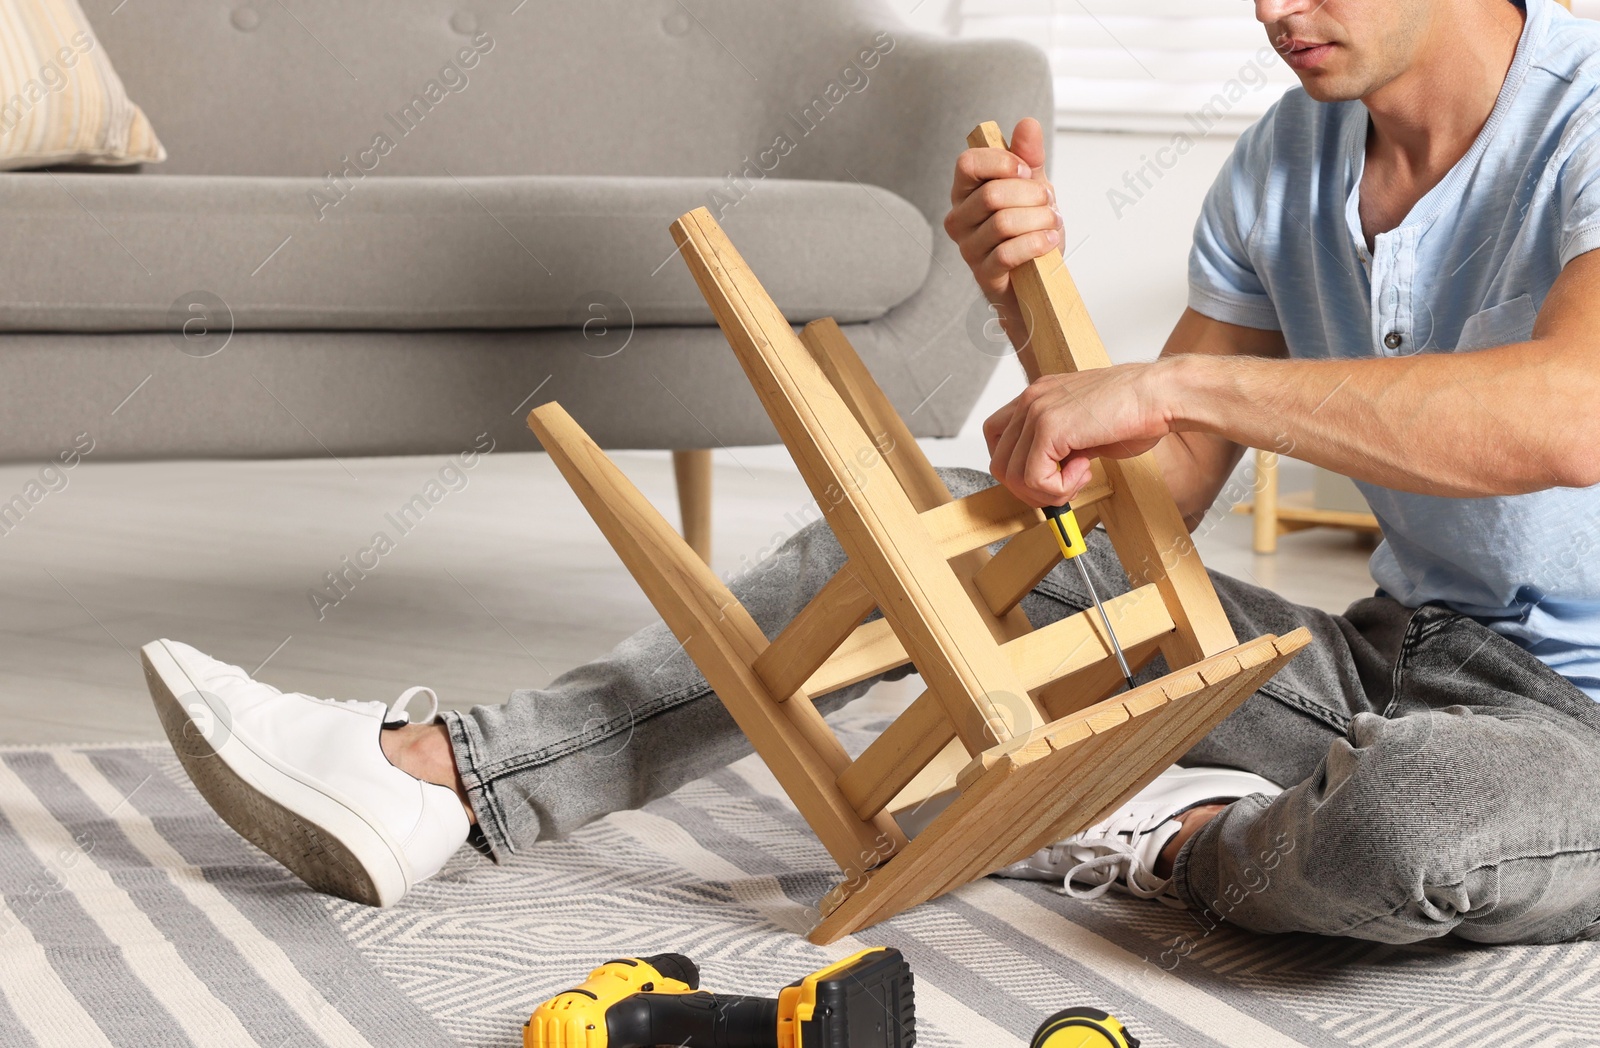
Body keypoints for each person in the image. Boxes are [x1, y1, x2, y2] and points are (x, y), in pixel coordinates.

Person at [145, 0, 1600, 945]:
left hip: (1578, 724)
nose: (1276, 10)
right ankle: (449, 780)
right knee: (940, 536)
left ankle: (1188, 844)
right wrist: (1043, 320)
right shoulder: (1289, 160)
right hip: (1387, 658)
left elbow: (1570, 414)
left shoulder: (1588, 111)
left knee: (1415, 826)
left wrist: (1176, 378)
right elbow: (1142, 519)